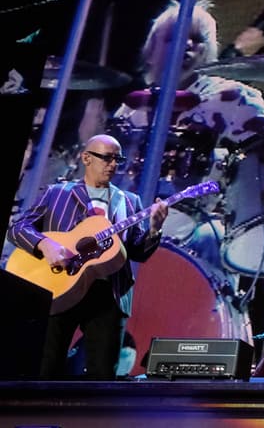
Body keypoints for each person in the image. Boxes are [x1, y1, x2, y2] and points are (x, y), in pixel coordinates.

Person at [110, 0, 264, 257]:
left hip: (205, 225)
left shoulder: (232, 98)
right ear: (151, 50)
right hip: (132, 226)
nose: (187, 45)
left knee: (211, 237)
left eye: (197, 39)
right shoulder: (133, 110)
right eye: (173, 38)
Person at [7, 134, 169, 379]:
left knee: (102, 375)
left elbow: (138, 252)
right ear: (86, 158)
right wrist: (45, 245)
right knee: (45, 369)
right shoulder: (56, 193)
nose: (113, 164)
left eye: (118, 159)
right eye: (106, 158)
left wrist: (155, 229)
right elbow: (18, 229)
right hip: (58, 285)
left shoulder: (129, 201)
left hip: (109, 294)